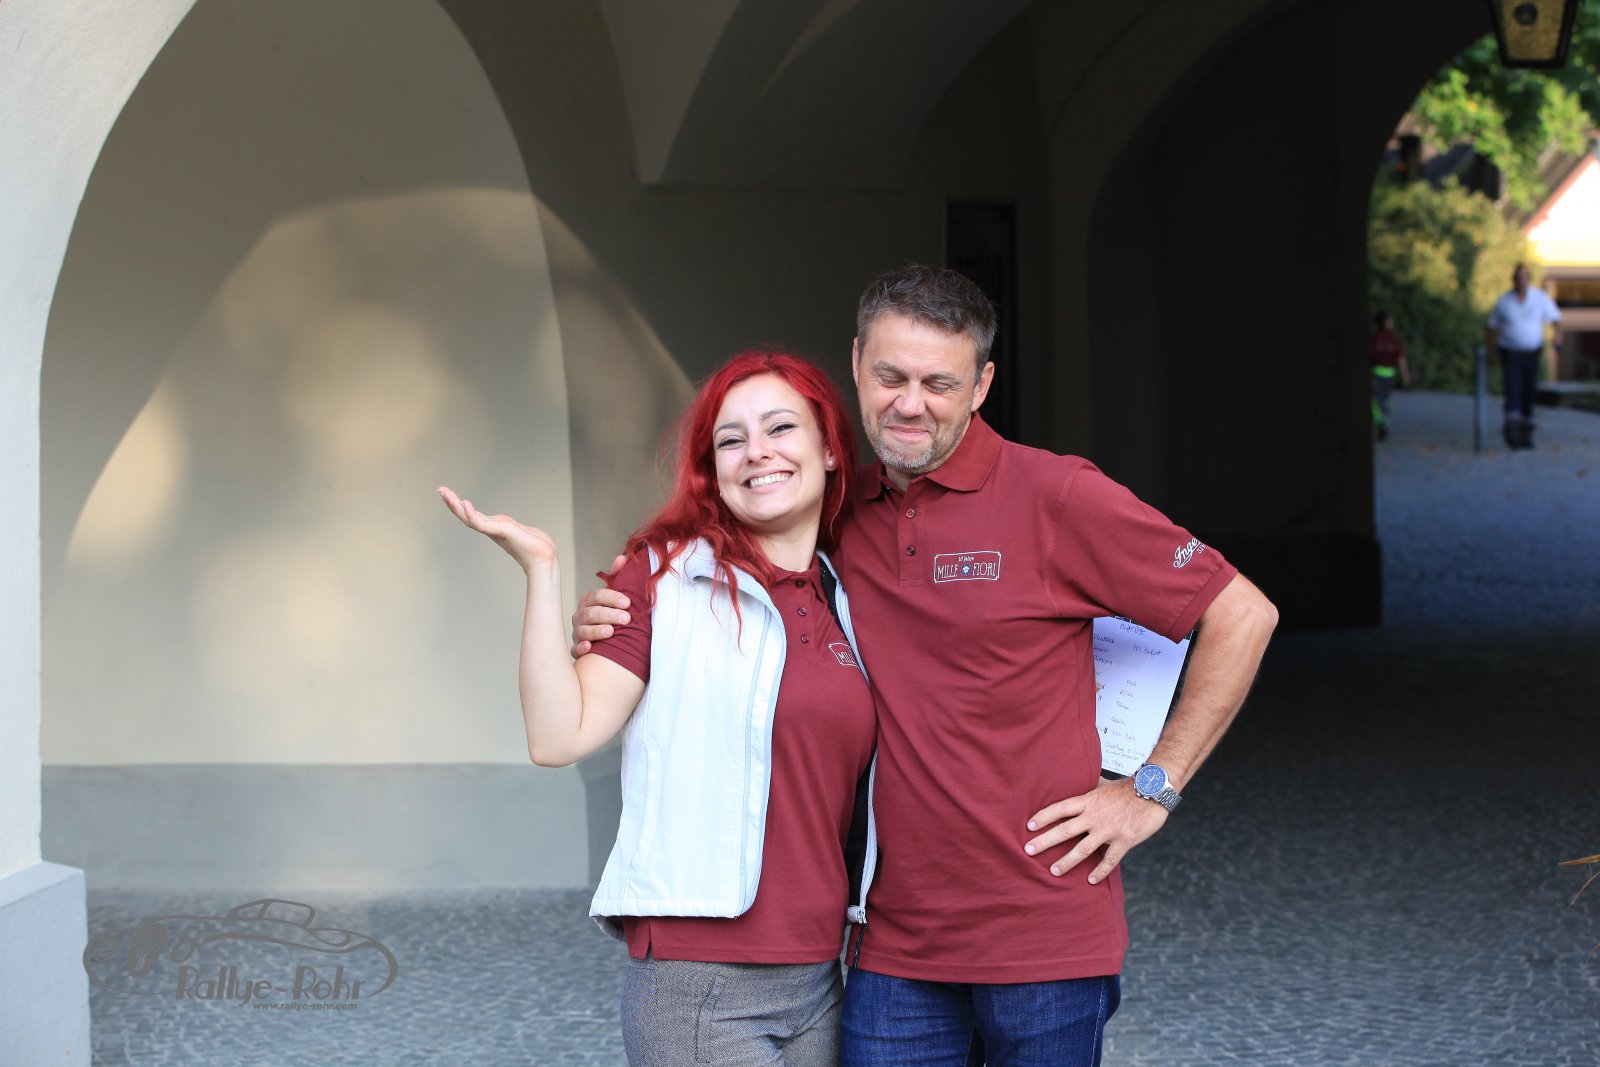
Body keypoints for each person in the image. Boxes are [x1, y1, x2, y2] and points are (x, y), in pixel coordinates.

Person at [574, 266, 1278, 1067]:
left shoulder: (1057, 495)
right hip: (891, 952)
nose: (910, 403)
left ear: (981, 385)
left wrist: (1153, 787)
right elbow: (722, 548)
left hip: (1045, 941)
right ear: (856, 365)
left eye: (939, 382)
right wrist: (622, 607)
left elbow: (1243, 613)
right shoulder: (837, 510)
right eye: (891, 376)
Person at [440, 350, 876, 1067]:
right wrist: (541, 571)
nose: (756, 451)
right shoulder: (666, 577)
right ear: (712, 468)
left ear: (830, 449)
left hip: (821, 976)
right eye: (731, 439)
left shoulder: (849, 595)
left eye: (780, 427)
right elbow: (558, 735)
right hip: (701, 981)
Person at [1486, 263, 1562, 450]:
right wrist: (1490, 350)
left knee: (1528, 390)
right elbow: (1492, 327)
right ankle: (1512, 431)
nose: (1522, 281)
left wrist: (1557, 336)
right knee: (1513, 389)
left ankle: (1526, 433)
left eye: (1525, 277)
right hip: (1511, 351)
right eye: (1519, 277)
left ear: (1529, 280)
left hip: (1531, 352)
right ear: (1514, 280)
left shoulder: (1539, 298)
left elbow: (1555, 318)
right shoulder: (1504, 301)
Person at [1369, 310, 1411, 441]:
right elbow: (1401, 359)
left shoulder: (1373, 338)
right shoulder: (1393, 339)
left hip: (1376, 373)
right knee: (1386, 400)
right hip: (1389, 374)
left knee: (1376, 401)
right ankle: (1385, 422)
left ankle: (1380, 422)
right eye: (1390, 320)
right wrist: (1406, 377)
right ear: (1386, 322)